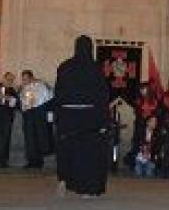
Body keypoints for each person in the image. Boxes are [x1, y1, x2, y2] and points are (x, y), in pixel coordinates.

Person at [53, 36, 112, 198]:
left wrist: (57, 114)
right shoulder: (95, 68)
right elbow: (102, 96)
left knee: (66, 149)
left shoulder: (64, 67)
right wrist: (103, 119)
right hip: (89, 117)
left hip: (68, 116)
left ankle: (63, 180)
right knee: (87, 153)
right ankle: (85, 188)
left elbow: (58, 93)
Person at [20, 69, 54, 168]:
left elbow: (48, 99)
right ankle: (31, 161)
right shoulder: (24, 88)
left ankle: (39, 160)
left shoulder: (41, 86)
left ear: (31, 77)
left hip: (39, 113)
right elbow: (23, 100)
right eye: (23, 79)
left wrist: (49, 114)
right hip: (28, 114)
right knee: (29, 138)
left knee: (39, 136)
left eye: (26, 79)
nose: (24, 81)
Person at [110, 93, 136, 172]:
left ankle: (119, 165)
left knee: (122, 149)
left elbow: (129, 122)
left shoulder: (129, 109)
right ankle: (114, 165)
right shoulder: (114, 109)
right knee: (115, 151)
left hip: (122, 133)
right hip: (115, 135)